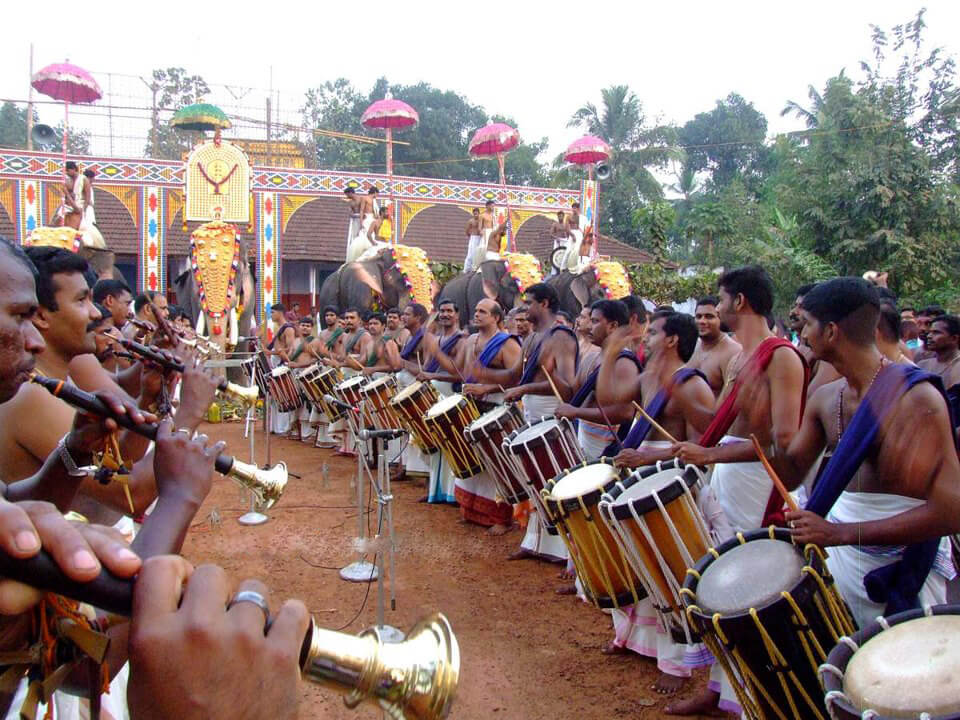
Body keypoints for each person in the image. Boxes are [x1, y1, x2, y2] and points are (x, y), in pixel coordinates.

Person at [776, 277, 960, 629]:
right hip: (838, 557)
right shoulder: (825, 398)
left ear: (831, 332)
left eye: (806, 324)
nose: (801, 333)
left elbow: (951, 513)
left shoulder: (917, 400)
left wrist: (841, 534)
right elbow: (789, 471)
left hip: (905, 565)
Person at [665, 266, 807, 718]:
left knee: (747, 588)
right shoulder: (743, 357)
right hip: (729, 472)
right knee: (721, 583)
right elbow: (724, 428)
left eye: (721, 300)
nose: (717, 308)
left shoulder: (782, 356)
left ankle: (757, 694)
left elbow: (782, 444)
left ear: (740, 302)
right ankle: (721, 688)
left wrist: (710, 457)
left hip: (756, 483)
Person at [594, 311, 714, 695]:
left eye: (654, 332)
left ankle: (677, 666)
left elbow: (702, 451)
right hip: (640, 481)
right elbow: (607, 400)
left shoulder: (691, 386)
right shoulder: (646, 377)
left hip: (671, 489)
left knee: (669, 573)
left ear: (673, 339)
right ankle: (635, 640)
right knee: (642, 567)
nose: (645, 338)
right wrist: (611, 354)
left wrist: (649, 460)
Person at [476, 283, 579, 562]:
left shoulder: (562, 337)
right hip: (532, 412)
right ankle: (534, 541)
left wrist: (525, 389)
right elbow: (514, 374)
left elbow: (569, 388)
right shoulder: (532, 338)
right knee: (534, 478)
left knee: (553, 478)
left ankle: (563, 551)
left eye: (530, 302)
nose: (525, 308)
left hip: (552, 414)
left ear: (544, 304)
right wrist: (484, 376)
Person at [555, 300, 638, 462]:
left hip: (610, 448)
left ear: (613, 326)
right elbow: (573, 397)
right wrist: (553, 373)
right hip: (585, 440)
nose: (589, 327)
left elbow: (625, 412)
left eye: (595, 321)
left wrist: (576, 413)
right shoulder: (591, 356)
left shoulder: (623, 363)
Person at [687, 296, 740, 397]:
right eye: (698, 316)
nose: (702, 321)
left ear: (721, 318)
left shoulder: (733, 352)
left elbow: (731, 399)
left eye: (709, 316)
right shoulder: (691, 347)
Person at [918, 314, 960, 390]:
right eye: (929, 332)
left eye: (936, 332)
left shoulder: (957, 366)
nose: (929, 336)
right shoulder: (922, 365)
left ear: (954, 338)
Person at [463, 208, 484, 272]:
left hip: (480, 238)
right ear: (473, 214)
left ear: (479, 213)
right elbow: (466, 230)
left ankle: (476, 268)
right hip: (473, 238)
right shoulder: (471, 221)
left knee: (478, 253)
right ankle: (467, 269)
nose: (475, 215)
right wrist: (471, 236)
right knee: (471, 253)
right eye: (474, 214)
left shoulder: (481, 221)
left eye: (476, 214)